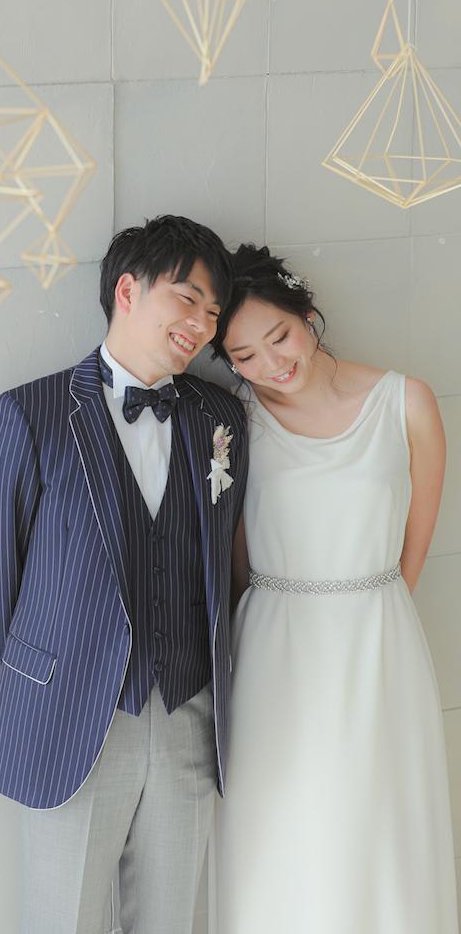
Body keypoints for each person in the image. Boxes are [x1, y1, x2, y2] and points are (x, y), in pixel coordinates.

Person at [0, 215, 249, 934]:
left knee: (173, 920)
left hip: (188, 714)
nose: (202, 326)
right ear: (128, 290)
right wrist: (25, 706)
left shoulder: (221, 418)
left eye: (213, 313)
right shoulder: (31, 414)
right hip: (72, 722)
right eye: (188, 299)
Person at [210, 243, 458, 934]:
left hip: (377, 640)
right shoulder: (234, 423)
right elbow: (236, 560)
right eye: (244, 356)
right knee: (281, 834)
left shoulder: (406, 402)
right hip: (273, 651)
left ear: (308, 315)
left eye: (279, 336)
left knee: (378, 830)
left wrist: (361, 611)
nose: (271, 364)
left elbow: (413, 549)